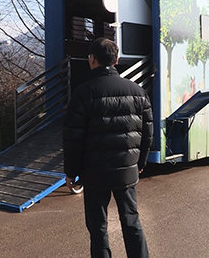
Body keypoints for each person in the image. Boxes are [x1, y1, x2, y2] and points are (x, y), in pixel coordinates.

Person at [63, 37, 153, 258]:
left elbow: (73, 138)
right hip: (126, 171)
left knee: (98, 228)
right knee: (131, 221)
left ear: (91, 59)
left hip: (94, 174)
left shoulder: (82, 94)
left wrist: (71, 172)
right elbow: (147, 133)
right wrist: (139, 163)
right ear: (117, 59)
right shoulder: (137, 91)